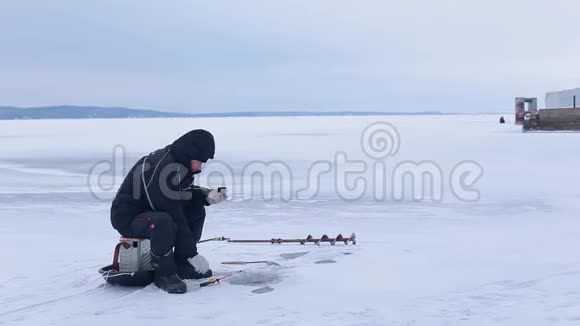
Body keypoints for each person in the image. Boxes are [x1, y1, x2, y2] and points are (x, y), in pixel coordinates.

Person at [110, 129, 227, 294]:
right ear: (190, 154)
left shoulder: (179, 164)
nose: (201, 167)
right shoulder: (162, 167)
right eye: (200, 161)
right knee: (163, 221)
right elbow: (170, 209)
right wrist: (191, 253)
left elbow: (180, 193)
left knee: (195, 210)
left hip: (151, 212)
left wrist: (206, 195)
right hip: (129, 217)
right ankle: (164, 274)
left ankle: (182, 264)